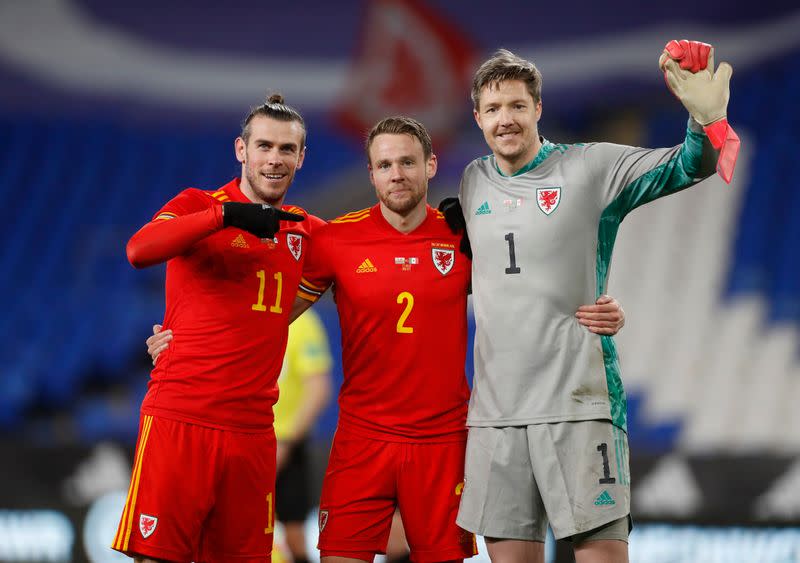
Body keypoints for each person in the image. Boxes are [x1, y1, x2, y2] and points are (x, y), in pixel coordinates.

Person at [146, 117, 626, 562]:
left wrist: (599, 307)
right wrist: (182, 339)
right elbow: (265, 315)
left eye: (407, 162)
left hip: (442, 442)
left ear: (430, 166)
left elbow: (534, 291)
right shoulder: (334, 240)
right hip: (361, 440)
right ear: (371, 174)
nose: (396, 174)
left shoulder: (467, 238)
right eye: (384, 164)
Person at [446, 42, 737, 563]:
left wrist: (703, 121)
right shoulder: (471, 182)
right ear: (478, 117)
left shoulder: (590, 168)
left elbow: (688, 166)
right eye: (493, 109)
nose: (505, 119)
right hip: (497, 418)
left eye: (516, 106)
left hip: (579, 407)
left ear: (538, 109)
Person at [114, 94, 325, 563]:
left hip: (253, 434)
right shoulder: (198, 204)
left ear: (301, 157)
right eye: (264, 146)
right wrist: (224, 216)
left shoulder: (306, 231)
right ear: (241, 150)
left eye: (286, 149)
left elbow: (371, 261)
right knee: (158, 556)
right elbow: (138, 250)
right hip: (182, 418)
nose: (274, 159)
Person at [273, 308, 333, 563]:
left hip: (284, 445)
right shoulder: (239, 312)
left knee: (292, 535)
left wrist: (286, 441)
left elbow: (318, 388)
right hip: (240, 443)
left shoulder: (301, 322)